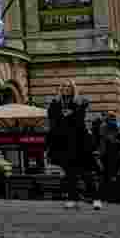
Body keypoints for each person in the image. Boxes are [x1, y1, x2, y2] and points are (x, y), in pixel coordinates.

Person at [46, 81, 101, 210]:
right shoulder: (55, 104)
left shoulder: (79, 102)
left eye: (68, 87)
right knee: (70, 173)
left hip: (79, 142)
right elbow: (53, 121)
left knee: (86, 172)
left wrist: (67, 116)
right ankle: (72, 198)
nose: (66, 89)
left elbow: (79, 121)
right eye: (63, 87)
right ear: (60, 89)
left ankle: (96, 198)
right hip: (63, 142)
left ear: (73, 89)